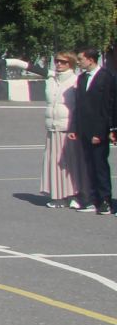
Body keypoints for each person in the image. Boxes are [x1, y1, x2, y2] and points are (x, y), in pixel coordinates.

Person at [69, 47, 115, 215]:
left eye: (81, 59)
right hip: (84, 129)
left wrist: (100, 132)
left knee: (100, 166)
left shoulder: (106, 77)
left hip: (98, 130)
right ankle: (93, 199)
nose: (79, 62)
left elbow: (107, 107)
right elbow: (78, 106)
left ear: (90, 59)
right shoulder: (81, 78)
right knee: (89, 166)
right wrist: (74, 128)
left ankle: (105, 201)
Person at [43, 51, 82, 208]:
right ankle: (57, 195)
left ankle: (73, 194)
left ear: (70, 64)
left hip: (68, 127)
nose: (58, 64)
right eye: (57, 61)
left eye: (63, 62)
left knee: (69, 163)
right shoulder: (51, 80)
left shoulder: (76, 80)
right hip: (52, 127)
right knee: (54, 162)